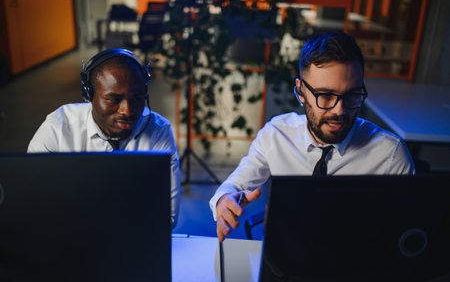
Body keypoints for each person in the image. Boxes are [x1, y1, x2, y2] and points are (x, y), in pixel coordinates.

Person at [210, 31, 415, 242]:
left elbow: (406, 234)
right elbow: (234, 186)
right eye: (325, 95)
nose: (340, 111)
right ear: (300, 92)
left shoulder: (391, 155)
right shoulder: (276, 135)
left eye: (352, 95)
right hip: (284, 258)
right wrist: (224, 199)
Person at [28, 48, 181, 227]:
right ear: (89, 94)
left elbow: (167, 218)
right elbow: (34, 205)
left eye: (137, 98)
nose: (127, 111)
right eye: (113, 99)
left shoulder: (158, 131)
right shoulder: (57, 128)